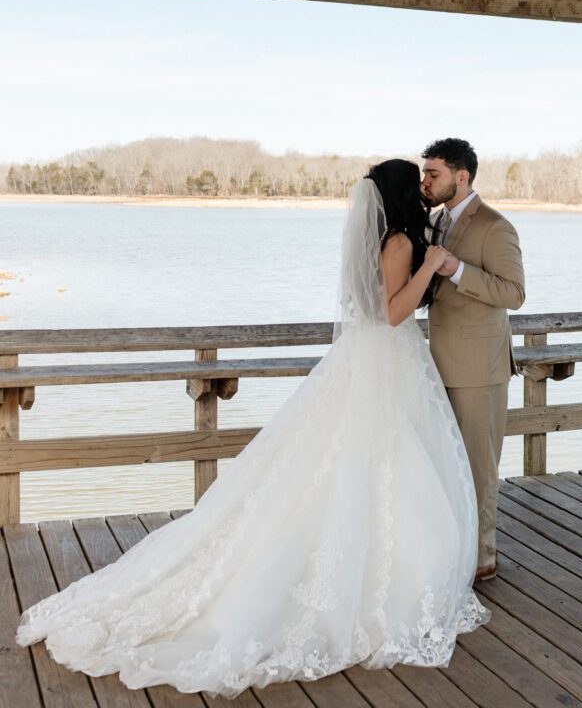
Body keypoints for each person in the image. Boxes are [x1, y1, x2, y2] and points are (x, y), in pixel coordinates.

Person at [17, 159, 488, 699]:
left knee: (369, 468)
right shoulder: (403, 244)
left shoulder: (393, 238)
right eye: (420, 180)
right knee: (383, 466)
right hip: (387, 360)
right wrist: (431, 268)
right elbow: (390, 313)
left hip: (378, 364)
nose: (426, 187)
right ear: (405, 193)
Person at [421, 139, 525, 582]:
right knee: (443, 461)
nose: (425, 181)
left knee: (480, 465)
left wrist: (457, 271)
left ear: (461, 176)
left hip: (479, 367)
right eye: (425, 173)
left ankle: (483, 556)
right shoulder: (433, 221)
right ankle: (451, 545)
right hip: (434, 362)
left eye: (433, 174)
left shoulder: (495, 227)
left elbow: (513, 294)